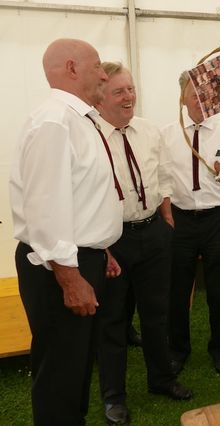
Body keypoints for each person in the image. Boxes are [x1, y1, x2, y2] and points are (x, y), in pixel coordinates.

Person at [9, 38, 123, 425]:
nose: (104, 75)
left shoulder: (77, 119)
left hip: (78, 258)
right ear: (72, 68)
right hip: (58, 267)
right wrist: (71, 278)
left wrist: (100, 248)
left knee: (76, 367)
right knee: (60, 374)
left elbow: (78, 197)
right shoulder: (54, 121)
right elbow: (45, 209)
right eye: (97, 66)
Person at [96, 62, 192, 425]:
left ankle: (161, 379)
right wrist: (101, 246)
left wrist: (166, 215)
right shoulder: (89, 136)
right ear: (100, 97)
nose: (129, 97)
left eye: (131, 89)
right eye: (119, 91)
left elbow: (163, 174)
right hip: (111, 238)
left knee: (156, 312)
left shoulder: (149, 130)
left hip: (153, 231)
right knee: (112, 319)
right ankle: (113, 396)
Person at [162, 71, 220, 376]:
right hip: (180, 220)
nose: (200, 101)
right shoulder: (167, 135)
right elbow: (161, 180)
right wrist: (165, 218)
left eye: (206, 95)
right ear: (182, 98)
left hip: (219, 218)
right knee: (176, 290)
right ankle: (177, 350)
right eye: (193, 95)